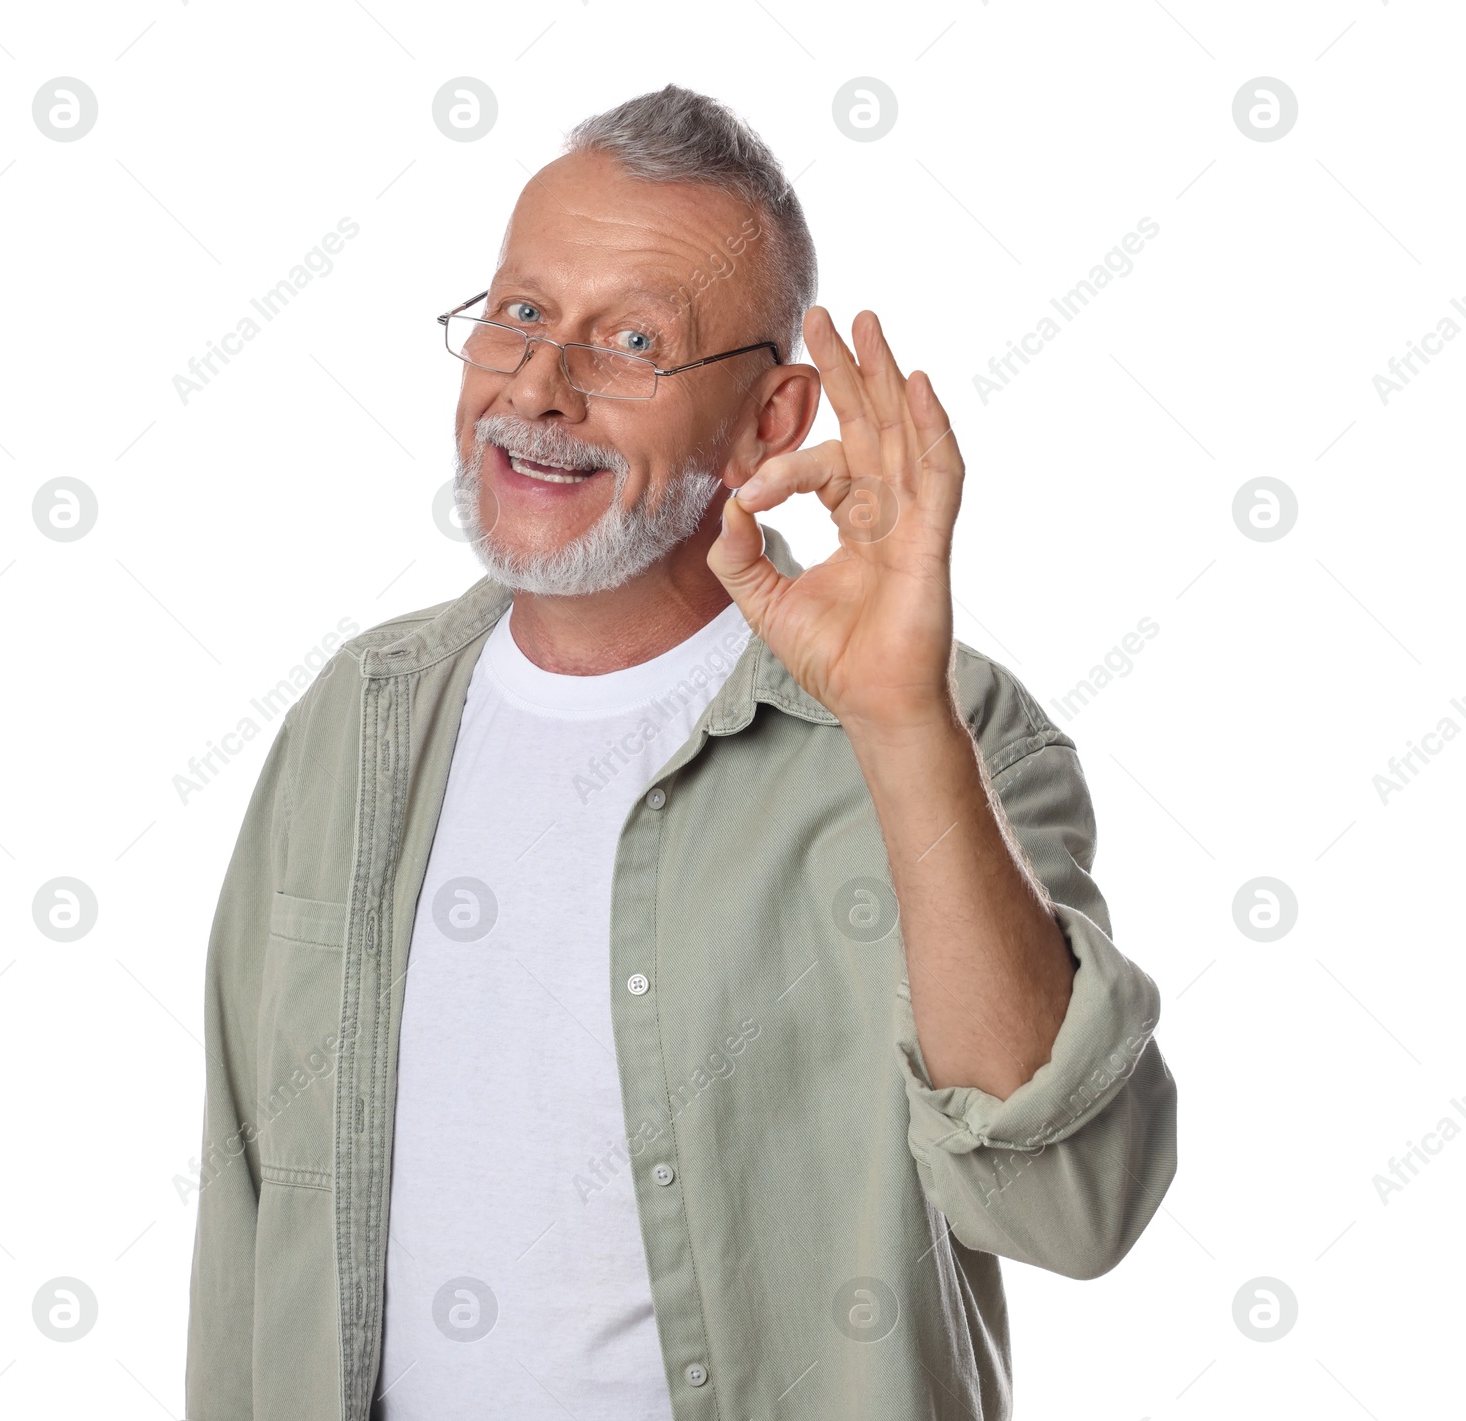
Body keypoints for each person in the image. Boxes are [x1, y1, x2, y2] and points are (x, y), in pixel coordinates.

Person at [185, 82, 1177, 1421]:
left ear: (771, 421)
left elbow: (1074, 1206)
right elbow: (253, 1220)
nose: (539, 387)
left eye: (631, 340)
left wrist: (900, 722)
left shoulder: (948, 728)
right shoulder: (357, 719)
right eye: (520, 313)